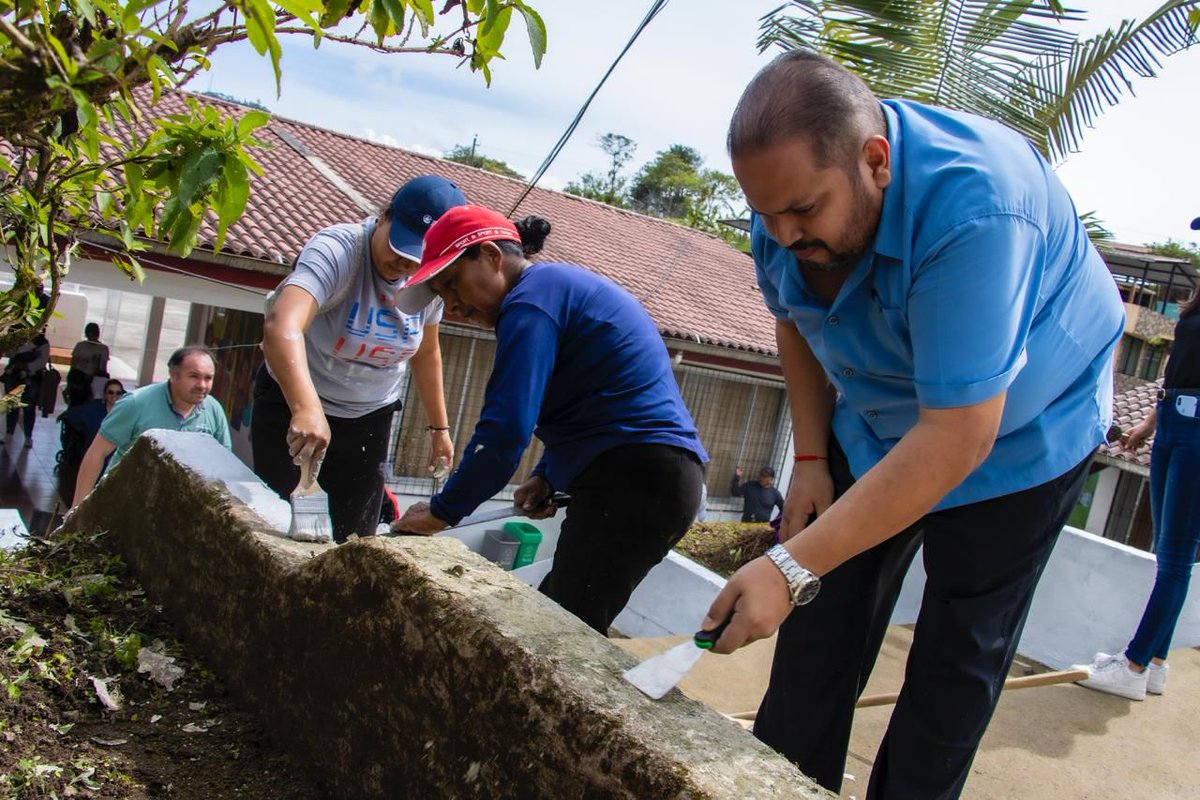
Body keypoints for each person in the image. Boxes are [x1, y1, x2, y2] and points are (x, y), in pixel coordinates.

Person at [700, 51, 1125, 799]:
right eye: (766, 216)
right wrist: (811, 459)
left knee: (953, 665)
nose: (784, 234)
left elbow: (958, 434)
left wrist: (790, 566)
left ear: (876, 161)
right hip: (876, 415)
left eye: (804, 212)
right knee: (817, 631)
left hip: (1023, 433)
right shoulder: (785, 204)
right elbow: (792, 317)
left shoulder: (979, 210)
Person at [393, 205, 708, 634]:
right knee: (557, 618)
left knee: (561, 633)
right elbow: (583, 400)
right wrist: (547, 474)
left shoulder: (530, 304)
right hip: (642, 473)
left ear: (491, 256)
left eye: (452, 284)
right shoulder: (548, 291)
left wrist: (443, 510)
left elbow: (505, 431)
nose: (453, 306)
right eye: (441, 295)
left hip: (640, 478)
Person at [252, 175, 465, 543]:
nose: (404, 263)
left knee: (355, 537)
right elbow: (281, 325)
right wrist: (306, 408)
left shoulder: (428, 281)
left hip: (369, 417)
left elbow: (427, 352)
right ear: (385, 217)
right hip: (294, 406)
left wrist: (439, 430)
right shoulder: (338, 250)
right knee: (280, 528)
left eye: (416, 258)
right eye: (399, 246)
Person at [1073, 290, 1200, 700]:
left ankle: (1134, 666)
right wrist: (1150, 422)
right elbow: (1181, 370)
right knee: (1170, 555)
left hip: (1196, 436)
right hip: (1172, 422)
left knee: (1176, 561)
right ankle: (1155, 664)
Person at [72, 347, 229, 508]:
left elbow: (223, 464)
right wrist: (77, 509)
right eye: (194, 376)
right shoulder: (135, 403)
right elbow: (97, 452)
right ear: (173, 375)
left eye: (208, 378)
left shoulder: (214, 410)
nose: (202, 385)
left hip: (174, 510)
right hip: (122, 503)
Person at [57, 378, 125, 505]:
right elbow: (71, 416)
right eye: (110, 392)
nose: (114, 396)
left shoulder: (126, 413)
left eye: (118, 393)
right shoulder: (94, 410)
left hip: (113, 463)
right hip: (93, 459)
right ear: (105, 395)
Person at [3, 331, 51, 448]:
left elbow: (42, 361)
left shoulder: (42, 342)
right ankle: (9, 433)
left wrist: (27, 366)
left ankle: (28, 436)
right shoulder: (17, 337)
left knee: (29, 408)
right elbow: (9, 353)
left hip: (32, 379)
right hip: (14, 377)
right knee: (12, 406)